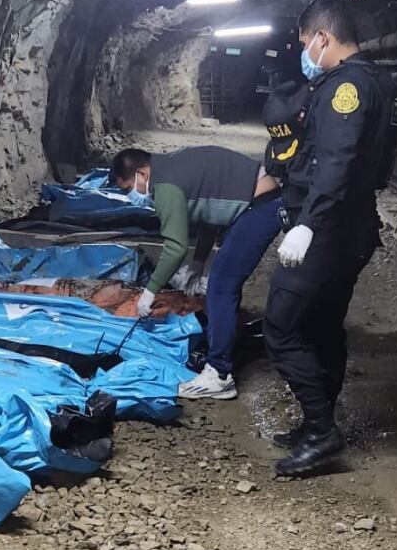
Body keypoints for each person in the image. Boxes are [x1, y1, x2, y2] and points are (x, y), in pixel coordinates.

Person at [263, 0, 397, 476]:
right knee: (321, 324)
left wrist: (307, 223)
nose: (304, 52)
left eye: (305, 42)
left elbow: (335, 162)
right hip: (352, 224)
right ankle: (315, 421)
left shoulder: (347, 88)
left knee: (281, 325)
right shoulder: (376, 79)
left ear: (322, 37)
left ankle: (322, 432)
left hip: (330, 228)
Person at [109, 146, 282, 399]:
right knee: (221, 281)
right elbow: (209, 214)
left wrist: (150, 290)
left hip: (262, 206)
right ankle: (222, 351)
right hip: (258, 199)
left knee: (221, 285)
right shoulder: (170, 166)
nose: (131, 195)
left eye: (128, 189)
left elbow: (175, 247)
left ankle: (219, 374)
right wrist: (199, 262)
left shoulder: (165, 186)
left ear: (141, 175)